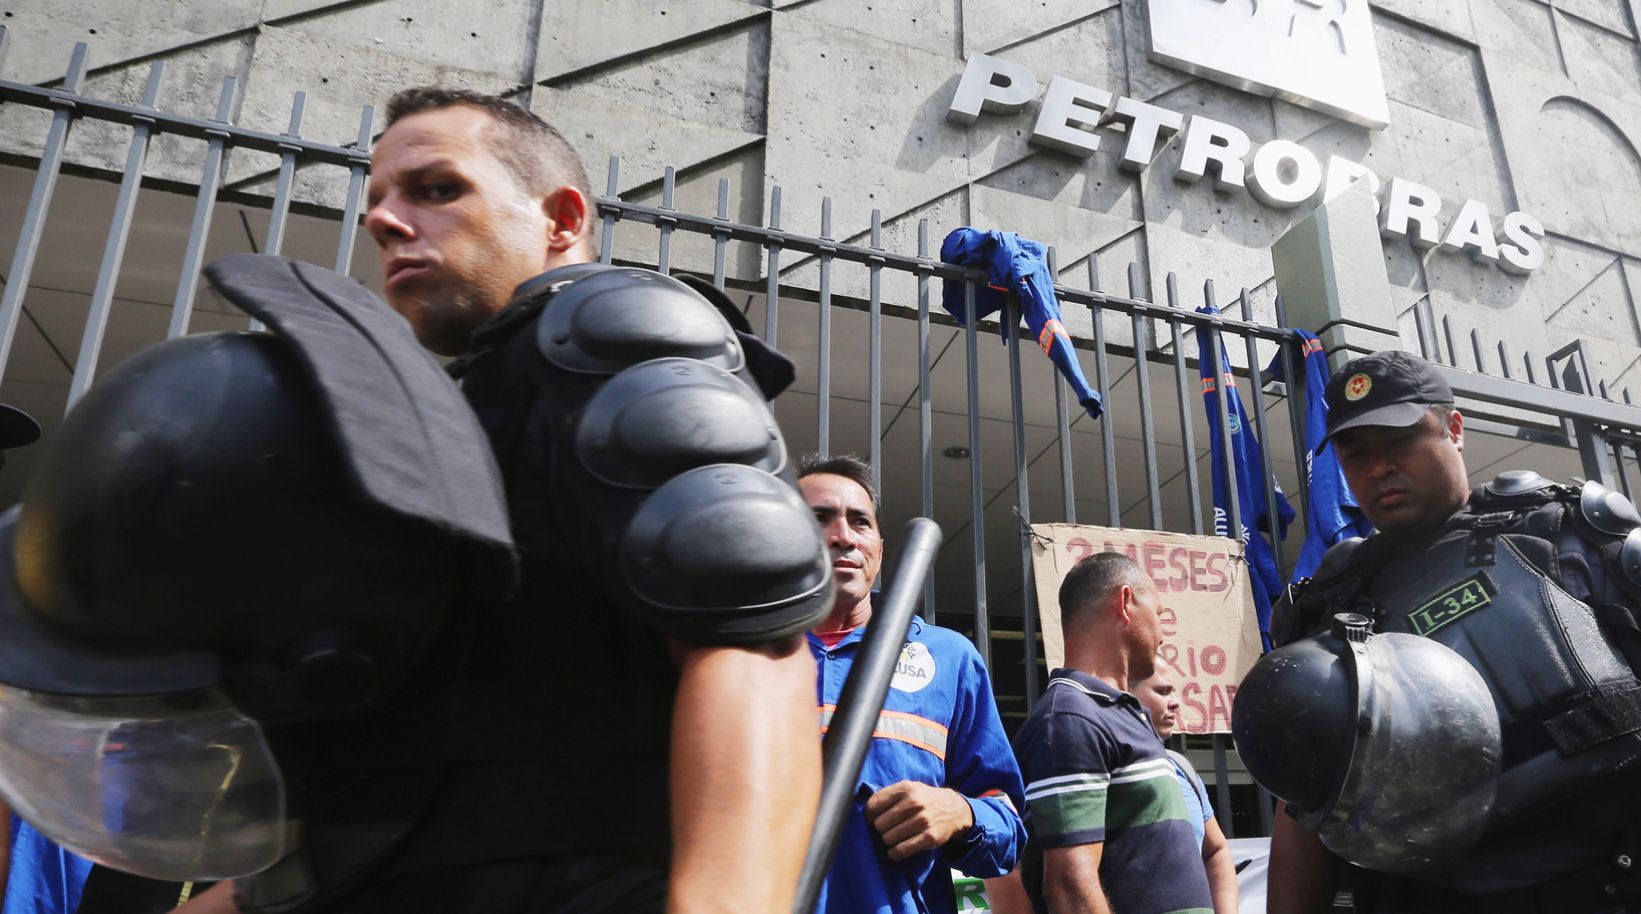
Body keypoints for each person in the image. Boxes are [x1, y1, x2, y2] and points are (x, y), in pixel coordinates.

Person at [0, 87, 831, 914]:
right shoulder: (462, 412)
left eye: (437, 189)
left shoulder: (610, 330)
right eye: (378, 202)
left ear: (562, 218)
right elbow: (400, 789)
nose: (385, 220)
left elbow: (749, 637)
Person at [1241, 350, 1641, 914]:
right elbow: (1308, 811)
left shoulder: (1566, 534)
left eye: (1399, 439)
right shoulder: (1331, 608)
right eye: (1354, 451)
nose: (1377, 466)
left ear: (1453, 427)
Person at [796, 454, 1025, 914]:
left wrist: (961, 813)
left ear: (879, 548)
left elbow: (1009, 826)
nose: (843, 536)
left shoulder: (949, 658)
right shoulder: (737, 655)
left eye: (859, 522)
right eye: (819, 518)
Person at [1012, 552, 1213, 914]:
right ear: (1125, 603)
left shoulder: (1117, 715)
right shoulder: (1071, 718)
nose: (1164, 632)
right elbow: (1069, 887)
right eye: (1159, 613)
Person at [1132, 660, 1238, 914]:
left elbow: (1216, 851)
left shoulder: (1181, 767)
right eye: (1162, 691)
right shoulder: (1100, 768)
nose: (1176, 702)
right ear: (1126, 695)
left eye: (1174, 692)